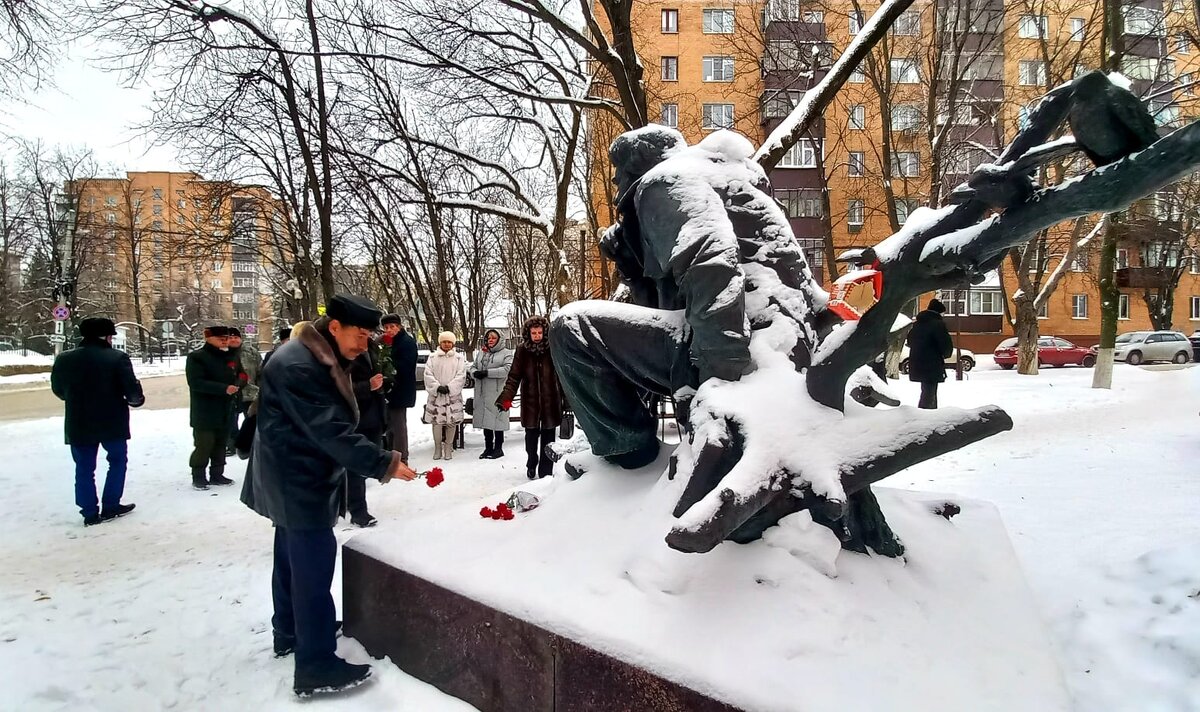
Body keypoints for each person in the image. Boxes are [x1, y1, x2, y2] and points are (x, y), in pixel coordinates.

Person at [240, 294, 417, 698]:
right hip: (299, 479)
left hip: (287, 475)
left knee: (289, 559)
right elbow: (329, 430)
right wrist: (384, 463)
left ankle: (289, 631)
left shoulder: (307, 353)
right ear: (333, 326)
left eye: (370, 335)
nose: (365, 344)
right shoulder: (301, 365)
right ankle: (316, 664)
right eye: (360, 334)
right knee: (313, 570)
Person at [50, 317, 145, 526]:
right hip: (112, 421)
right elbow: (132, 392)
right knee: (117, 462)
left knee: (84, 467)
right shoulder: (117, 358)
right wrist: (136, 398)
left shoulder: (64, 358)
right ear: (108, 336)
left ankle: (89, 512)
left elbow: (58, 389)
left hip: (78, 421)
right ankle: (111, 505)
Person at [498, 316, 564, 479]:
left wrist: (567, 402)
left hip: (551, 402)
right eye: (533, 333)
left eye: (539, 332)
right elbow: (514, 376)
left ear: (545, 332)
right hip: (531, 403)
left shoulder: (553, 348)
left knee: (549, 440)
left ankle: (546, 471)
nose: (536, 336)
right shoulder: (522, 350)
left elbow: (563, 376)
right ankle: (532, 460)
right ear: (528, 333)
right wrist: (506, 398)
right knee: (531, 439)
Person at [186, 325, 244, 490]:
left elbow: (242, 374)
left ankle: (217, 474)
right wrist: (223, 388)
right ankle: (198, 476)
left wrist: (238, 384)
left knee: (221, 443)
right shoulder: (197, 357)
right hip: (205, 410)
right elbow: (196, 382)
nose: (225, 341)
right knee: (204, 444)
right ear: (208, 338)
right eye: (221, 338)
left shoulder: (230, 356)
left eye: (226, 338)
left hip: (226, 408)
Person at [345, 329, 388, 527]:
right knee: (355, 464)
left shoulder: (372, 347)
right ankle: (358, 510)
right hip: (354, 415)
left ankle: (348, 502)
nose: (368, 336)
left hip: (374, 412)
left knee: (363, 462)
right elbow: (338, 386)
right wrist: (366, 386)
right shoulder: (343, 351)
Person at [471, 328, 513, 459]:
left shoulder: (507, 353)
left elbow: (507, 369)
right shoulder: (482, 353)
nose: (490, 340)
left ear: (499, 340)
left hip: (498, 392)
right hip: (483, 393)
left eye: (493, 338)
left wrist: (488, 373)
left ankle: (498, 448)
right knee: (486, 421)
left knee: (498, 420)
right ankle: (488, 447)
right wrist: (474, 373)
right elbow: (473, 366)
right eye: (488, 338)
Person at [423, 331, 466, 460]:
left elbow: (461, 375)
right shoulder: (432, 357)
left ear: (453, 343)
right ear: (440, 342)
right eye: (444, 341)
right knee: (437, 423)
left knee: (451, 423)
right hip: (436, 396)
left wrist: (450, 387)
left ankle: (448, 447)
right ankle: (437, 448)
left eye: (449, 342)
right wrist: (437, 387)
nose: (446, 344)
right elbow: (427, 374)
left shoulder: (459, 358)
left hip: (452, 396)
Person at [906, 298, 954, 409]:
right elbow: (945, 344)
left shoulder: (917, 324)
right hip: (932, 363)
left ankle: (927, 413)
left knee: (926, 391)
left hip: (917, 362)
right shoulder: (938, 324)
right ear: (938, 312)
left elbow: (909, 341)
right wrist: (946, 353)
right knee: (930, 392)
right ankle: (927, 416)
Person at [382, 315, 417, 462]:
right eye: (386, 327)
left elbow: (406, 366)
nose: (389, 330)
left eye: (392, 327)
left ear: (399, 326)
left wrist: (388, 368)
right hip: (389, 389)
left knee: (398, 425)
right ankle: (391, 453)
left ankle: (402, 457)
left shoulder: (406, 342)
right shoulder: (388, 342)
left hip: (401, 389)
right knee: (390, 423)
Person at [227, 328, 263, 456]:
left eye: (236, 337)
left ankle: (249, 444)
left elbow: (261, 372)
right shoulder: (222, 353)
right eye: (230, 337)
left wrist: (261, 389)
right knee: (230, 421)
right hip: (229, 394)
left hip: (250, 392)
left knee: (251, 420)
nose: (233, 340)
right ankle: (231, 445)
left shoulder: (251, 352)